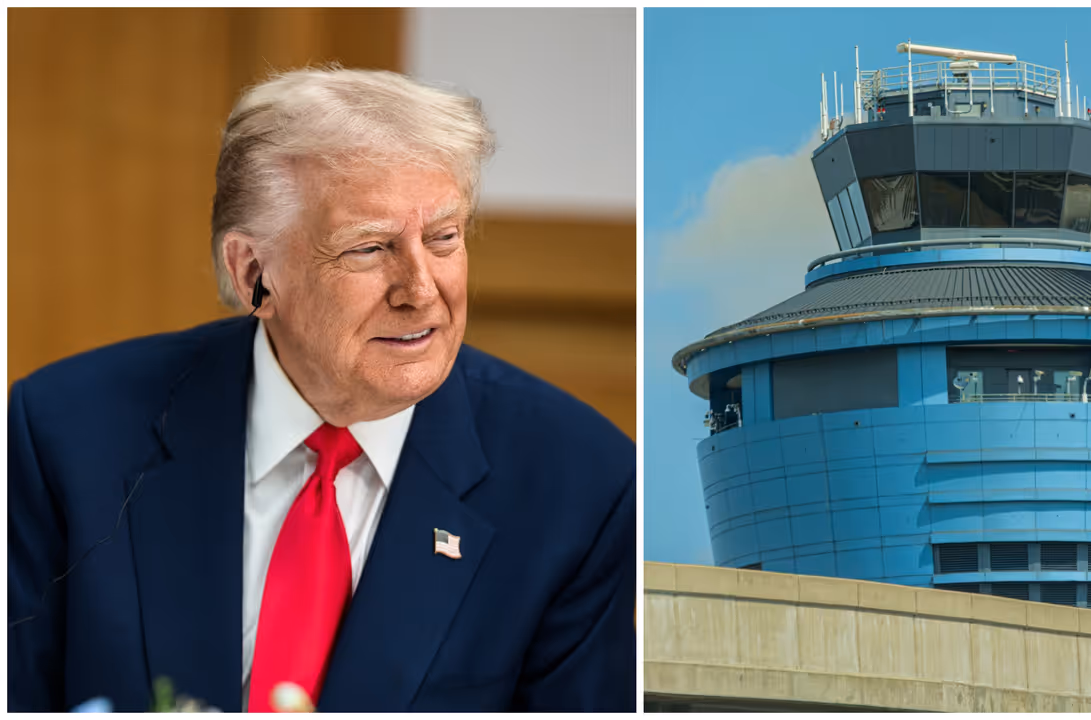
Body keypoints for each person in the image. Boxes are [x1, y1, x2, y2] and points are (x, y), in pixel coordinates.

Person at [8, 67, 636, 712]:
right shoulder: (62, 432)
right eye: (368, 248)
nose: (421, 291)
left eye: (444, 238)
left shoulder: (582, 482)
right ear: (254, 271)